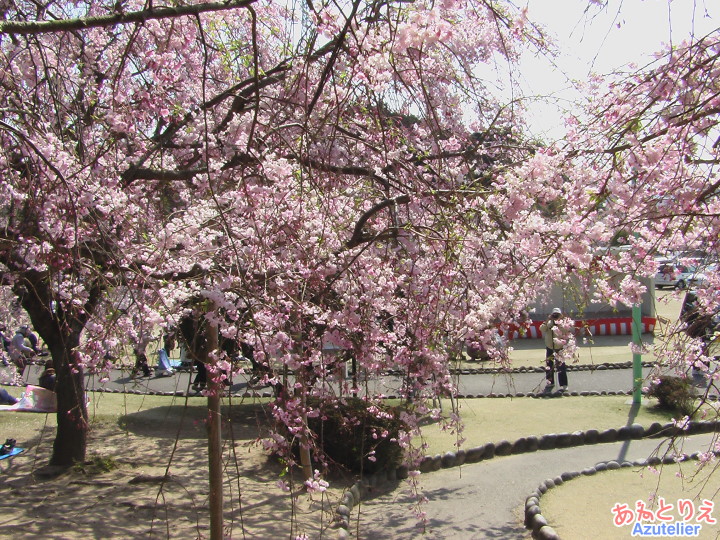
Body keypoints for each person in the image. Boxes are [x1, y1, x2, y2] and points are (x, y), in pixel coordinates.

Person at [540, 308, 568, 391]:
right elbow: (542, 329)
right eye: (554, 315)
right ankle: (550, 382)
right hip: (550, 347)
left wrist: (559, 324)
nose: (555, 316)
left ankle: (564, 384)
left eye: (557, 315)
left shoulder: (563, 323)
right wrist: (548, 321)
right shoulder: (548, 323)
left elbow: (565, 331)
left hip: (559, 347)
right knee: (549, 365)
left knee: (561, 366)